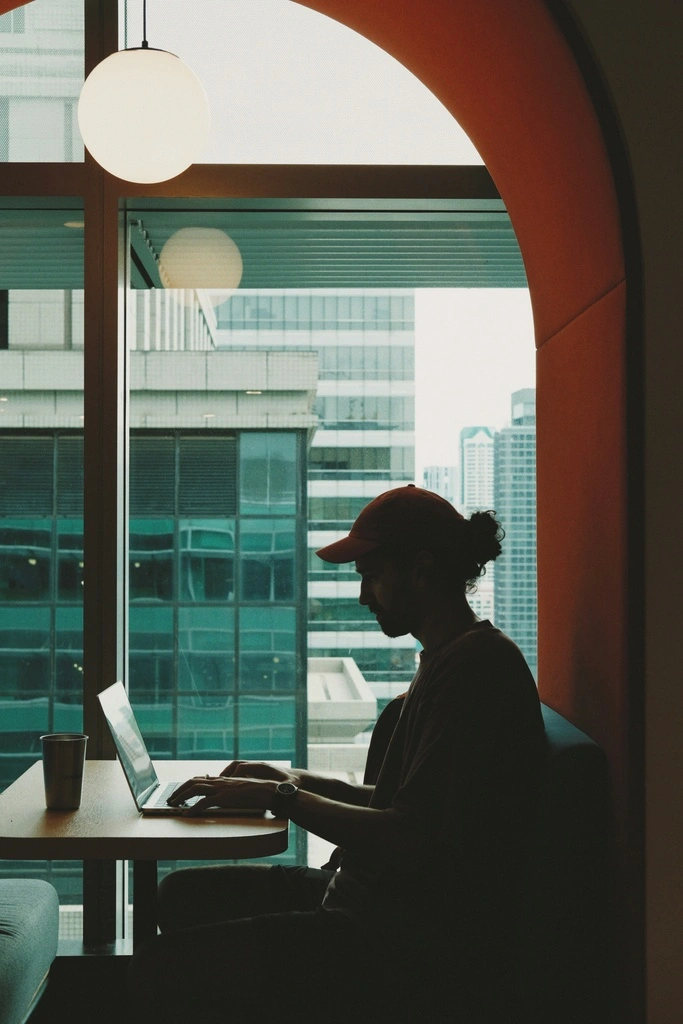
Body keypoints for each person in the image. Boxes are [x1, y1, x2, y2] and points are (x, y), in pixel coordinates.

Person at [129, 485, 545, 1024]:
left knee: (161, 969)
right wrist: (286, 777)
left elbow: (408, 835)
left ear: (421, 568)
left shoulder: (476, 672)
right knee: (180, 894)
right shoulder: (450, 658)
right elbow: (395, 801)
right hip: (367, 899)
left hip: (394, 939)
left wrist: (280, 797)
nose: (363, 597)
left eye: (372, 576)